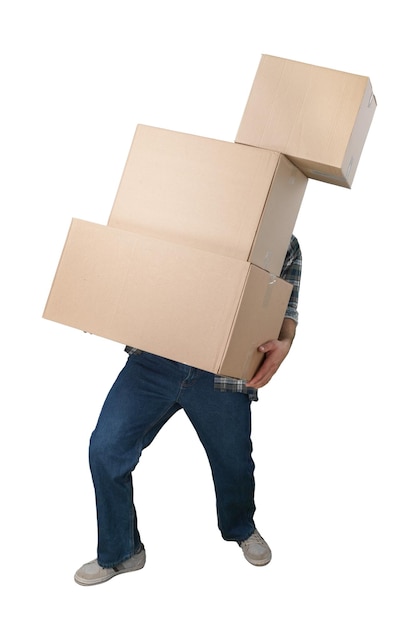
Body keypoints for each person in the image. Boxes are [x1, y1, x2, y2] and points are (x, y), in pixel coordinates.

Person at [74, 234, 302, 586]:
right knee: (106, 448)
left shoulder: (282, 240)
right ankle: (122, 551)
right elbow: (132, 261)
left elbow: (286, 309)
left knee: (234, 463)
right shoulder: (178, 212)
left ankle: (240, 527)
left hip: (223, 373)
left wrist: (284, 344)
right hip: (155, 358)